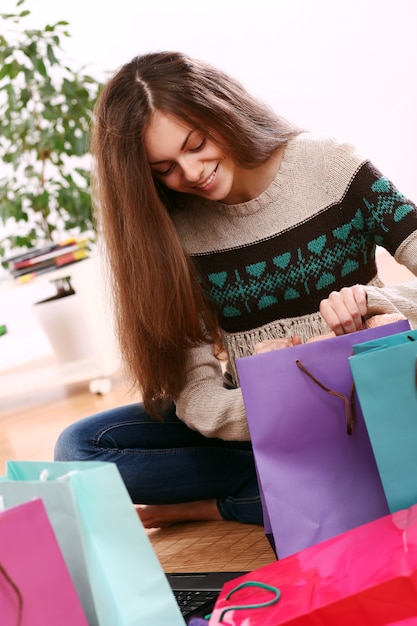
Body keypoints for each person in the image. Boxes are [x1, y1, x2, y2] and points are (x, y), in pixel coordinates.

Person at [54, 51, 417, 529]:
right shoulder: (174, 233)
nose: (191, 172)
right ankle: (306, 489)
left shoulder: (331, 166)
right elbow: (198, 395)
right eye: (164, 168)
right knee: (80, 449)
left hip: (370, 410)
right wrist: (274, 398)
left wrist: (376, 305)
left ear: (220, 109)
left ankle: (231, 505)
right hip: (263, 431)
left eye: (196, 143)